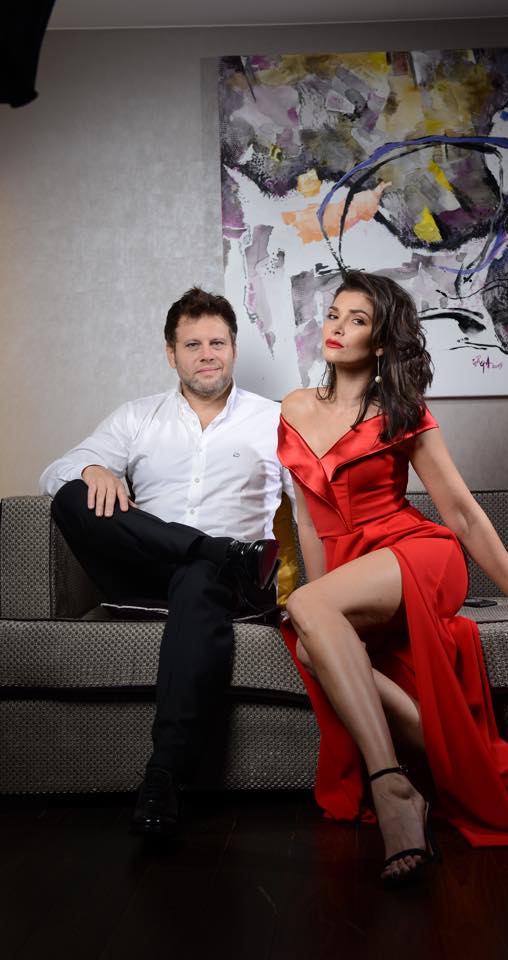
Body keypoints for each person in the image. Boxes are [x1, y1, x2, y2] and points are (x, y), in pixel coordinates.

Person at [277, 270, 508, 888]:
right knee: (309, 640)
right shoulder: (295, 407)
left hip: (414, 553)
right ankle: (455, 761)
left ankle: (391, 788)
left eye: (357, 320)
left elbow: (461, 513)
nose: (337, 328)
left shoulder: (403, 412)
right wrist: (321, 605)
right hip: (352, 568)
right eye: (333, 315)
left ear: (381, 341)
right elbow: (307, 519)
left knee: (311, 612)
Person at [40, 287, 293, 837]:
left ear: (234, 348)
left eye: (217, 343)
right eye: (193, 344)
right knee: (70, 494)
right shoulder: (137, 417)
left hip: (228, 585)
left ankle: (164, 774)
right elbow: (55, 472)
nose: (207, 354)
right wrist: (92, 469)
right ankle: (214, 548)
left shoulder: (275, 420)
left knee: (201, 572)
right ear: (171, 353)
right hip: (143, 572)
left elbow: (317, 505)